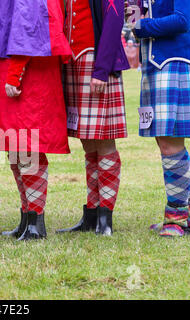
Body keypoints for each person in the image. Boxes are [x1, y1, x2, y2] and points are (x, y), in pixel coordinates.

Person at [0, 0, 72, 241]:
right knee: (16, 147)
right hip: (15, 65)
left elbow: (28, 28)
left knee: (28, 147)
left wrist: (15, 73)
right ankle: (26, 217)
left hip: (28, 73)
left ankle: (36, 221)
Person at [131, 0, 190, 237]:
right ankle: (188, 213)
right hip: (160, 63)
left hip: (177, 62)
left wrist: (140, 26)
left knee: (170, 143)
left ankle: (176, 216)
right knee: (167, 143)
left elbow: (182, 20)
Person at [56, 0, 130, 236]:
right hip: (73, 61)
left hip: (97, 61)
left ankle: (105, 218)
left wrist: (102, 69)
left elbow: (114, 19)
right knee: (87, 140)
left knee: (104, 139)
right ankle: (92, 213)